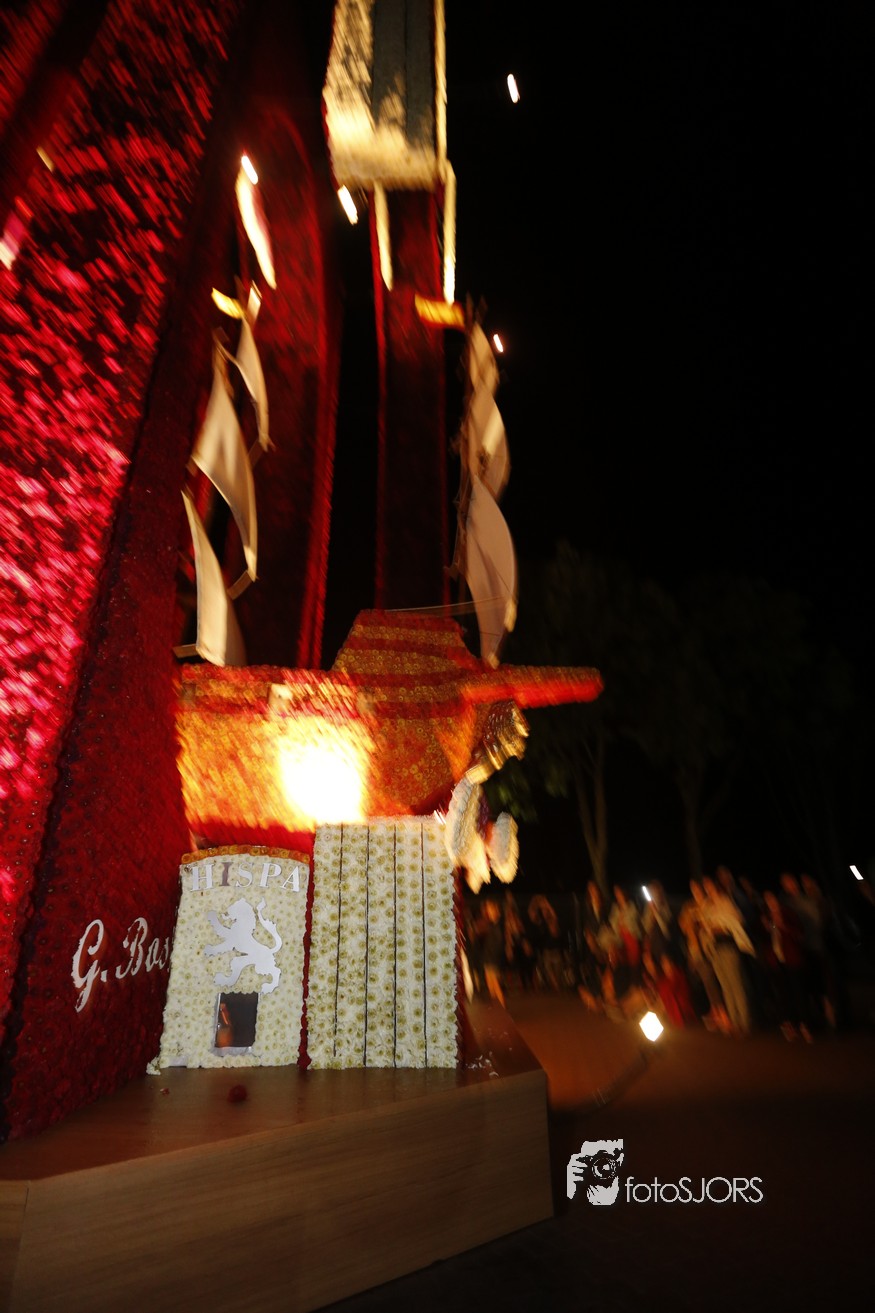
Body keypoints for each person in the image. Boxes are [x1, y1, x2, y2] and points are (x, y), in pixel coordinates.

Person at [699, 875, 755, 1035]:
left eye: (709, 886)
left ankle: (744, 1022)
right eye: (706, 888)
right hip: (715, 949)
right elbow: (704, 925)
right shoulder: (709, 907)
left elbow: (736, 921)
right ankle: (733, 1021)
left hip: (728, 947)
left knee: (735, 984)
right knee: (725, 986)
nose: (708, 890)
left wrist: (719, 927)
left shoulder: (726, 902)